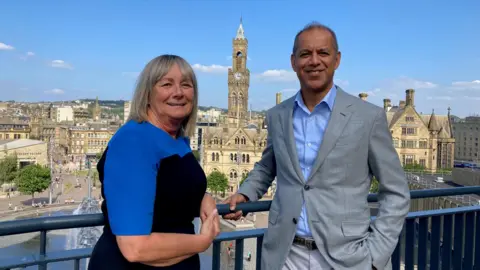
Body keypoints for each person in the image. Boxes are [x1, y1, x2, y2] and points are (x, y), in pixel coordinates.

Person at [223, 22, 410, 270]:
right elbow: (268, 167)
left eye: (323, 53)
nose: (314, 61)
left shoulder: (368, 117)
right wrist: (246, 193)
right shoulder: (278, 115)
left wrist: (375, 257)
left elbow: (396, 191)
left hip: (349, 260)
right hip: (287, 256)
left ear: (337, 60)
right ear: (293, 62)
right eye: (305, 54)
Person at [89, 55, 220, 270]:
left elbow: (168, 187)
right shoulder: (134, 141)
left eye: (186, 85)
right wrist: (202, 241)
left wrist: (203, 197)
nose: (178, 92)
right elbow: (135, 248)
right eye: (166, 84)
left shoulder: (177, 138)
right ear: (147, 94)